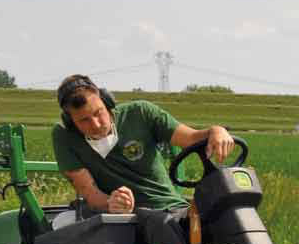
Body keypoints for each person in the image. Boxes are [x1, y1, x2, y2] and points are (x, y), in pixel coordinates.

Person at [52, 73, 235, 216]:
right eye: (84, 120)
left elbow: (191, 138)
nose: (96, 124)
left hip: (172, 207)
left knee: (225, 216)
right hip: (131, 216)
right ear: (70, 122)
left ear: (107, 102)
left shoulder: (141, 113)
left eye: (98, 113)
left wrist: (215, 131)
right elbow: (89, 192)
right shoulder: (65, 137)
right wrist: (112, 203)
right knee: (160, 225)